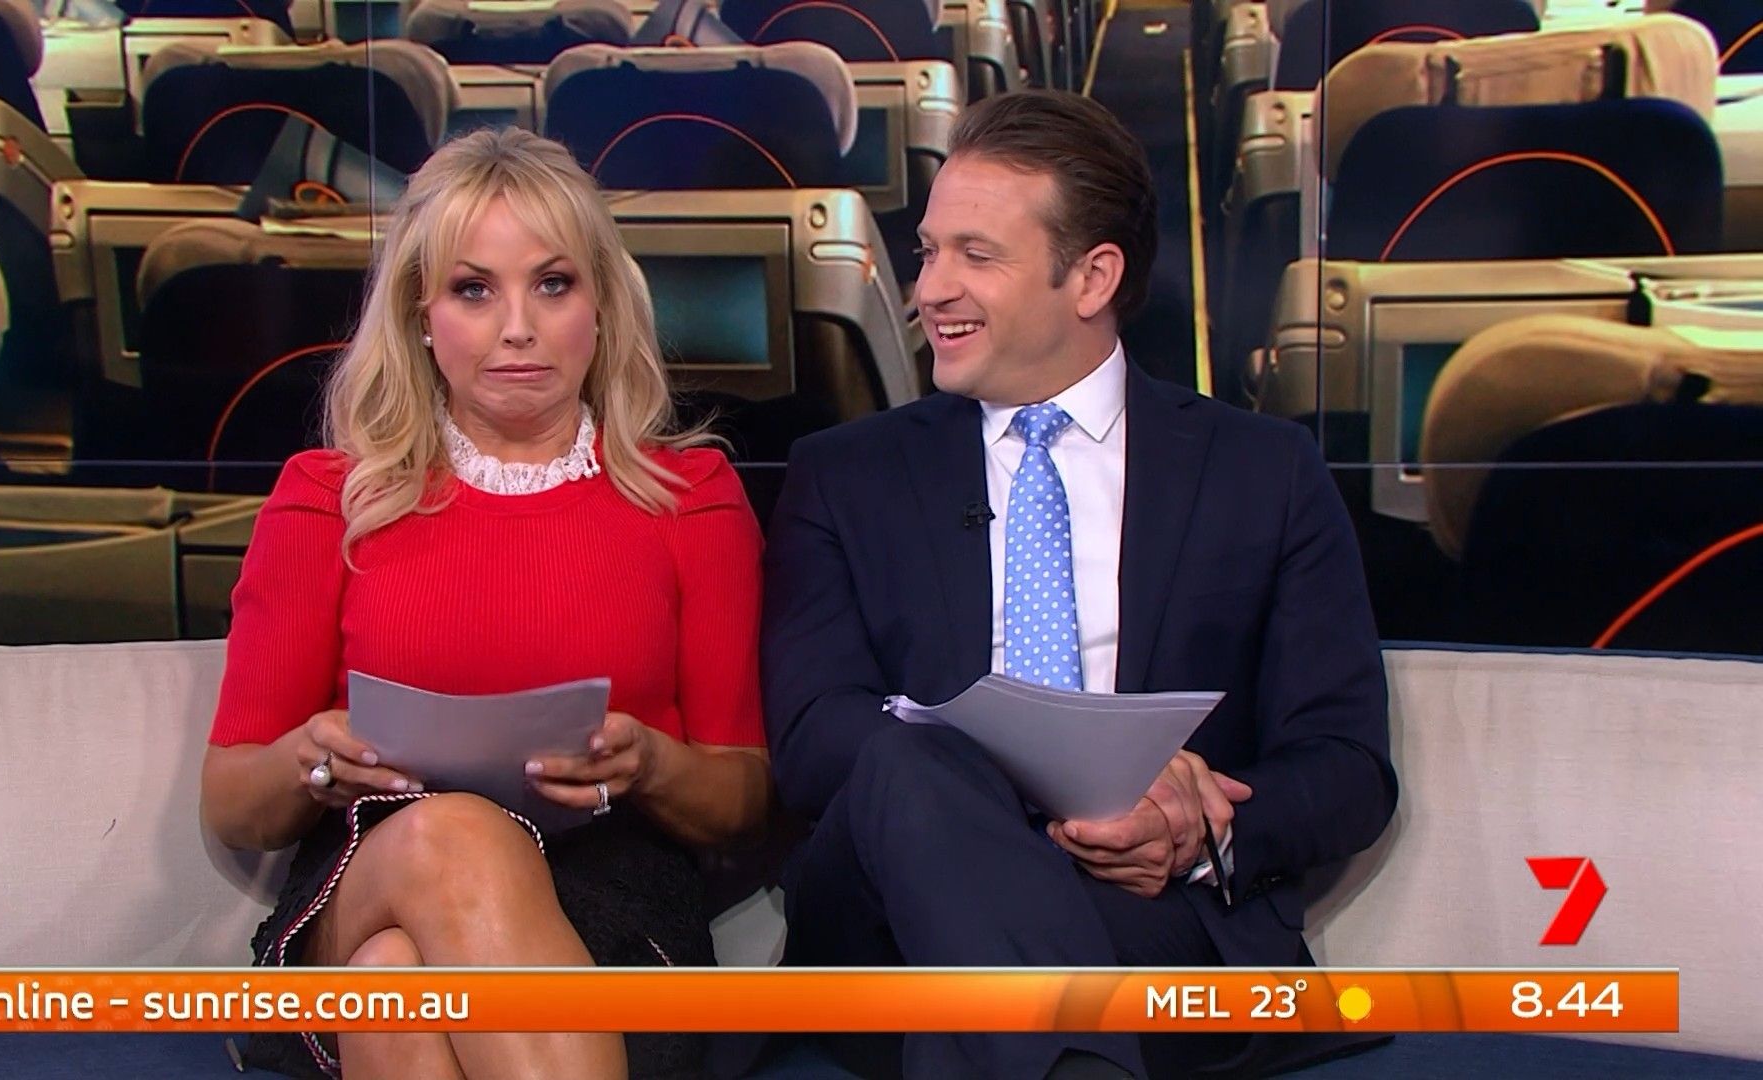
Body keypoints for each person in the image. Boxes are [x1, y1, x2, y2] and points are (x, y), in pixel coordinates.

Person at [756, 91, 1398, 1079]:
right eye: (928, 252)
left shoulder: (1261, 472)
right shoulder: (845, 475)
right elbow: (812, 743)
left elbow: (1347, 766)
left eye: (977, 256)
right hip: (888, 910)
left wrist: (1188, 827)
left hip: (1147, 910)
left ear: (1093, 276)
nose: (930, 290)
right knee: (906, 763)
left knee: (971, 1006)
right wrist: (1037, 770)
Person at [198, 127, 772, 1080]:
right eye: (474, 290)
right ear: (421, 316)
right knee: (450, 839)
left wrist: (652, 763)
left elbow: (743, 800)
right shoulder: (327, 499)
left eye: (553, 284)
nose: (518, 327)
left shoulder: (692, 499)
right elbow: (232, 802)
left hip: (612, 901)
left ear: (602, 306)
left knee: (393, 985)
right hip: (365, 875)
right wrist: (310, 758)